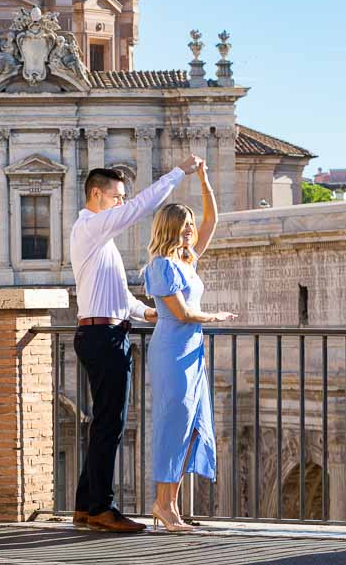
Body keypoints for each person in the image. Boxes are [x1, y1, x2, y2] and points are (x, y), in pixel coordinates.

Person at [70, 153, 203, 533]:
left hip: (104, 330)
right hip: (103, 337)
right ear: (96, 195)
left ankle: (85, 504)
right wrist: (179, 172)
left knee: (104, 424)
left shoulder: (99, 240)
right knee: (110, 425)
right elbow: (144, 206)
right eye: (117, 197)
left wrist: (146, 313)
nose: (123, 203)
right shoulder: (93, 227)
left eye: (123, 198)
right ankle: (101, 507)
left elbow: (114, 296)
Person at [143, 161, 237, 533]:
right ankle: (163, 506)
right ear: (169, 230)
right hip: (173, 352)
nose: (189, 234)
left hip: (191, 353)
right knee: (173, 426)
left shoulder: (187, 260)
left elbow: (212, 221)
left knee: (192, 427)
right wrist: (216, 317)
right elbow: (181, 314)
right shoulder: (161, 266)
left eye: (189, 229)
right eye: (182, 229)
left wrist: (203, 179)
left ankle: (170, 506)